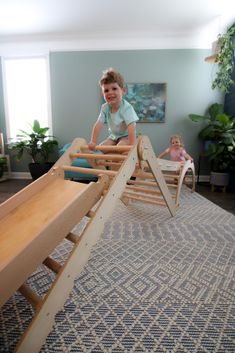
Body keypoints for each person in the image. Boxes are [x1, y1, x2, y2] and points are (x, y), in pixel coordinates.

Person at [88, 68, 139, 150]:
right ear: (103, 93)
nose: (110, 92)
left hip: (127, 137)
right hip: (114, 137)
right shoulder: (105, 107)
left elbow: (131, 127)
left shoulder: (127, 107)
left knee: (120, 147)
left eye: (114, 89)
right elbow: (98, 124)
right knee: (102, 147)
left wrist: (132, 146)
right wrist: (93, 141)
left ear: (123, 91)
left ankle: (119, 156)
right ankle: (107, 160)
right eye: (106, 90)